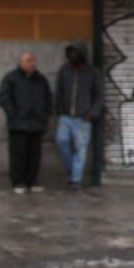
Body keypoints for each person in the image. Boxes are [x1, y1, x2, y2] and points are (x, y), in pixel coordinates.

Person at [0, 52, 52, 194]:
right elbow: (4, 98)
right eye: (29, 61)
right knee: (18, 154)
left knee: (34, 155)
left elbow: (48, 98)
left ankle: (32, 180)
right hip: (18, 124)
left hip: (36, 124)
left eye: (33, 60)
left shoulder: (41, 80)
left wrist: (45, 116)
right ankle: (18, 181)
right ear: (21, 62)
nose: (32, 64)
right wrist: (13, 114)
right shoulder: (11, 78)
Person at [55, 40, 103, 190]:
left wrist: (92, 114)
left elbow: (99, 95)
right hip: (66, 116)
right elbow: (59, 92)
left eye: (75, 52)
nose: (72, 55)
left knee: (80, 149)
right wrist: (59, 110)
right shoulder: (64, 70)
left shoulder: (93, 72)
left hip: (83, 118)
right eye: (70, 52)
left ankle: (75, 180)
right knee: (61, 141)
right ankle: (72, 169)